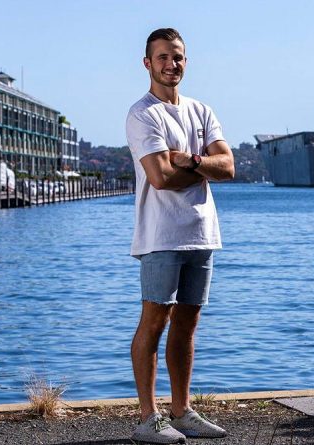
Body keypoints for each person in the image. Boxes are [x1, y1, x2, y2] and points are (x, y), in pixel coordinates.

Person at [125, 27, 234, 444]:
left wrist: (188, 158)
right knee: (155, 320)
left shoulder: (202, 110)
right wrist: (203, 165)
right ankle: (148, 418)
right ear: (147, 63)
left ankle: (181, 410)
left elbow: (228, 168)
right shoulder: (143, 114)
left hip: (201, 232)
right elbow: (159, 177)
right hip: (160, 235)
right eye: (164, 57)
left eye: (178, 57)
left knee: (188, 323)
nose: (172, 64)